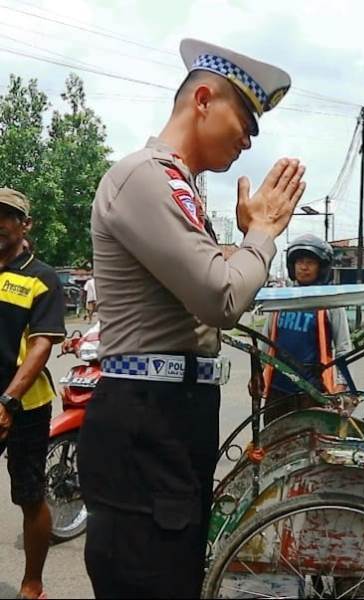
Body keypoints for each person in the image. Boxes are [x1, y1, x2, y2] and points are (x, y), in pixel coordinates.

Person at [78, 38, 305, 598]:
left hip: (170, 416)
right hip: (147, 417)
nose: (248, 140)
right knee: (150, 581)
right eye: (244, 120)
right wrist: (262, 234)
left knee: (173, 576)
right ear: (203, 99)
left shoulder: (178, 186)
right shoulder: (146, 178)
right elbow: (219, 298)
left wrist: (245, 244)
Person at [0, 188, 66, 599]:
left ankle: (32, 583)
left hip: (24, 405)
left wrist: (8, 401)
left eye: (8, 216)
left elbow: (41, 345)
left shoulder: (41, 277)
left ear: (26, 224)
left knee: (29, 496)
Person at [258, 234, 352, 424]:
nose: (304, 267)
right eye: (299, 261)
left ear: (321, 267)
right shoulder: (281, 299)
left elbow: (343, 346)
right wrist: (256, 373)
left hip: (313, 389)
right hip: (278, 388)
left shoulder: (330, 302)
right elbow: (264, 342)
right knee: (272, 441)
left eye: (310, 262)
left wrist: (342, 384)